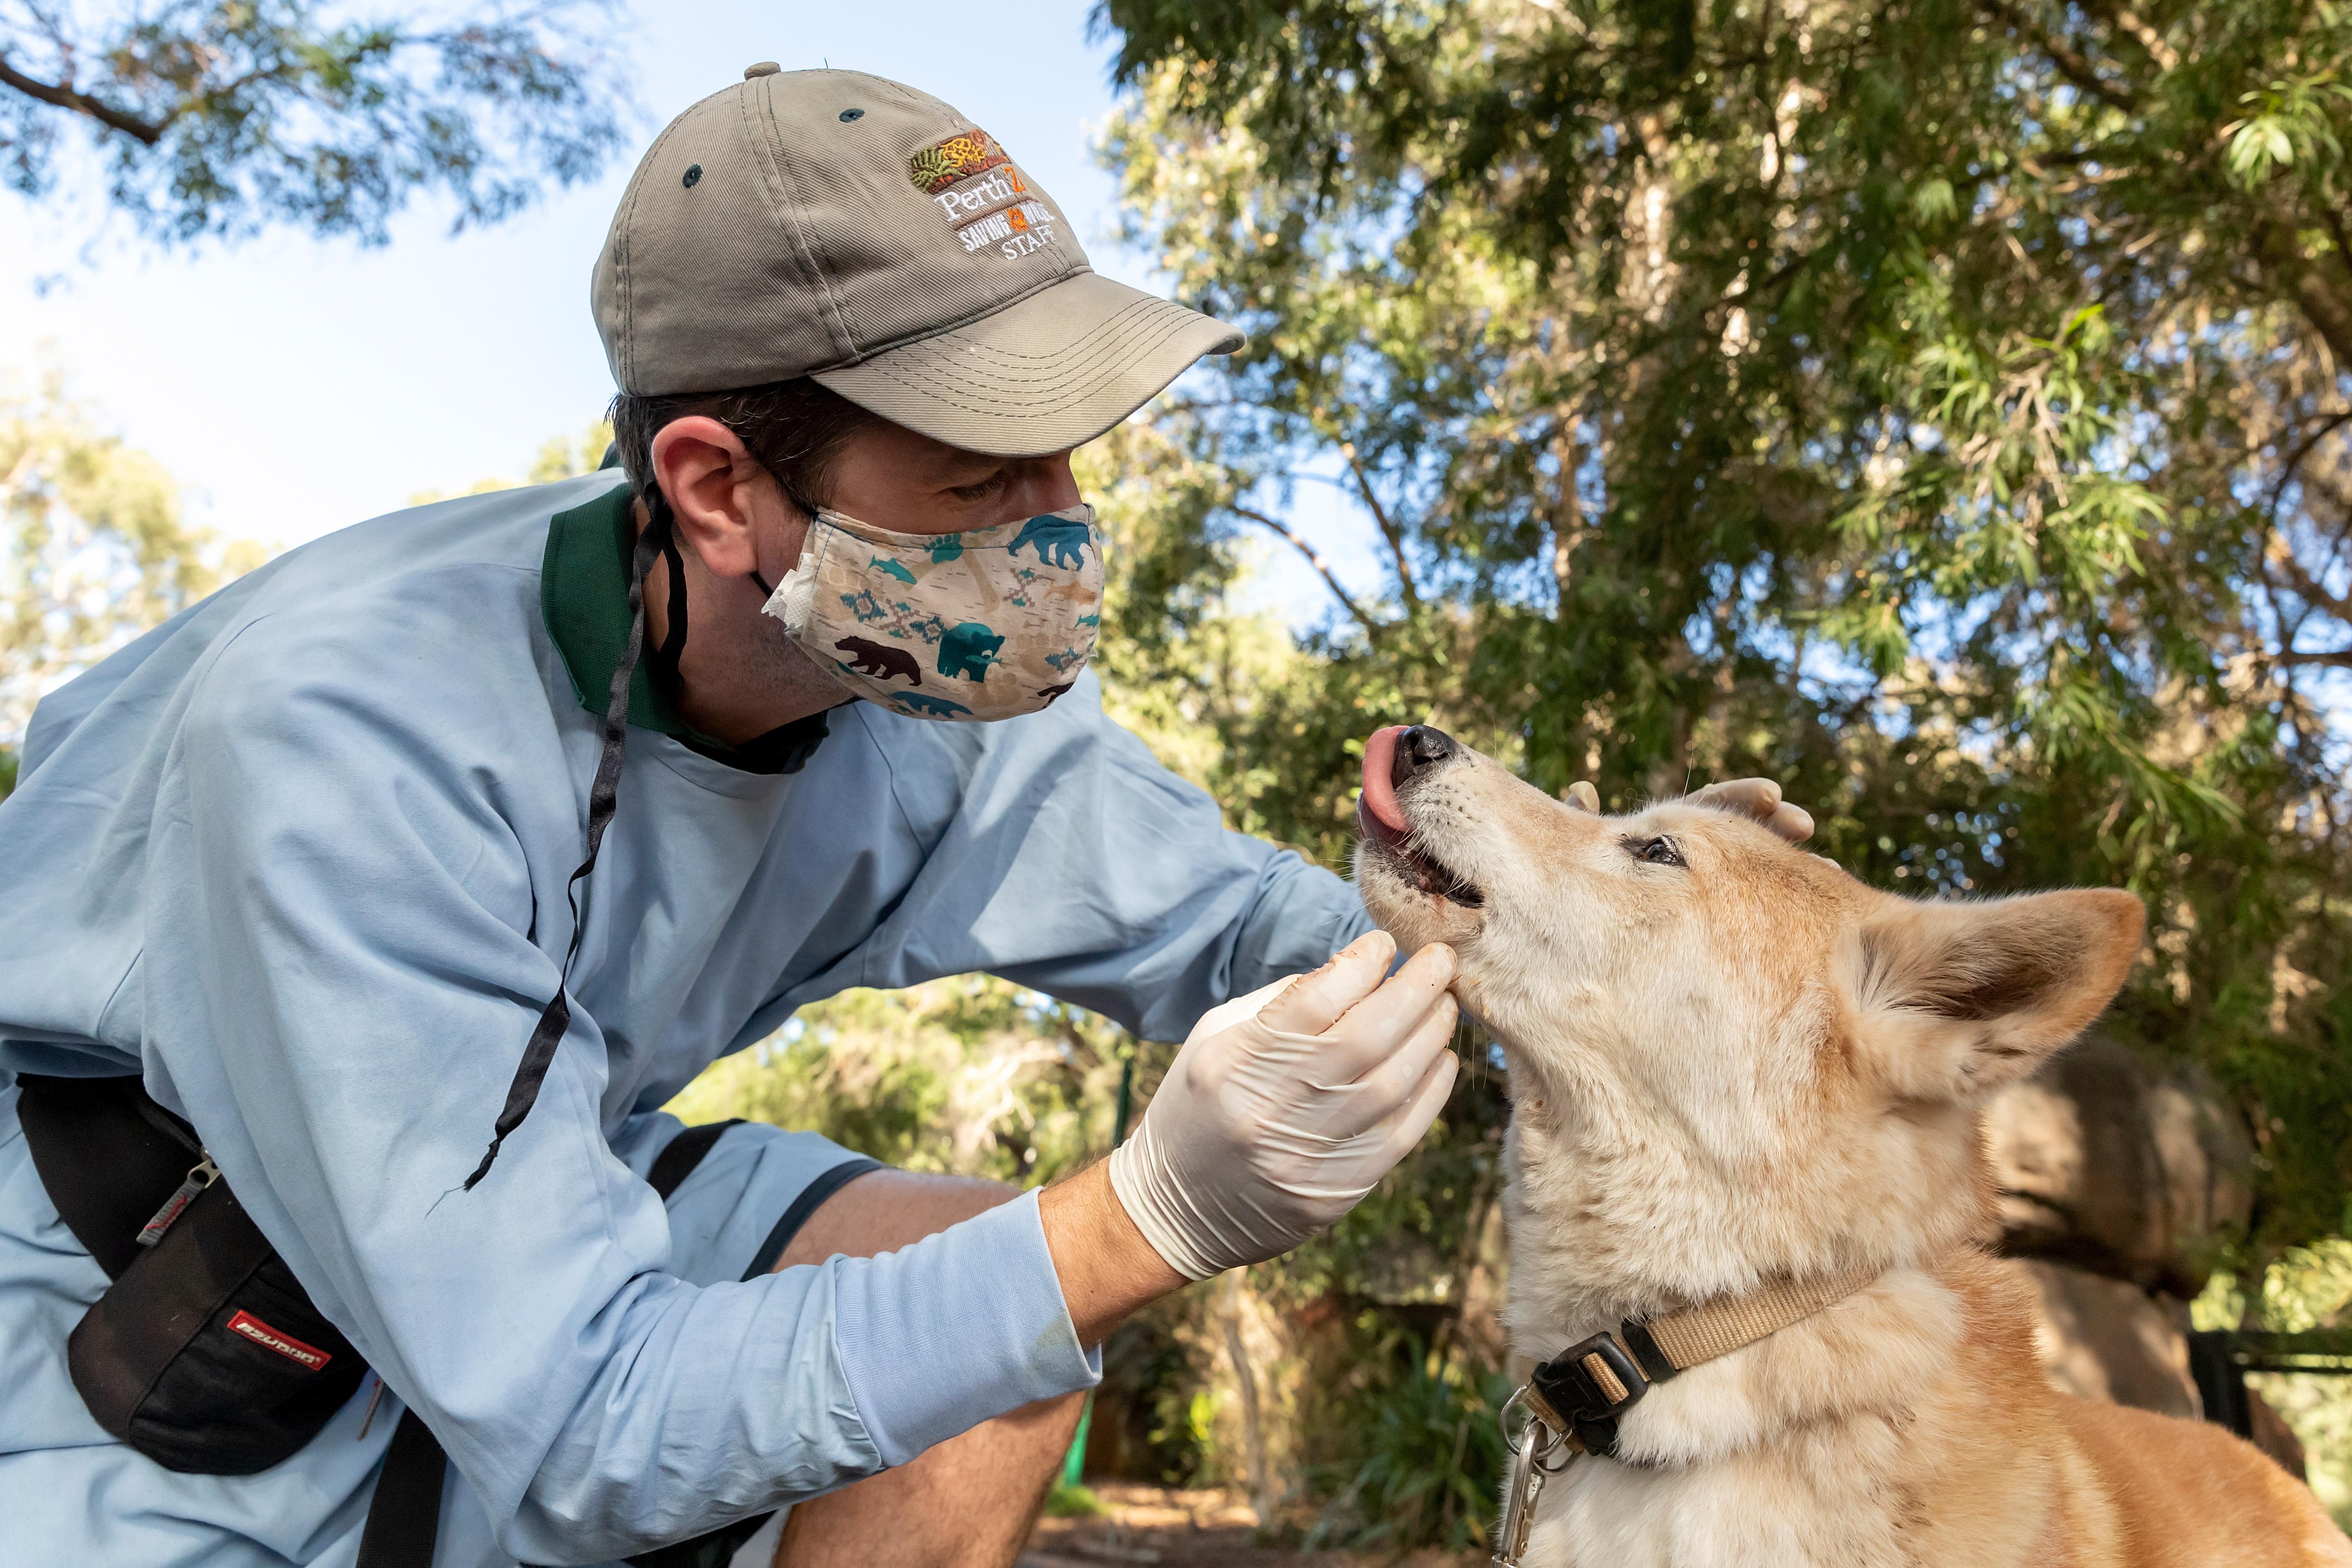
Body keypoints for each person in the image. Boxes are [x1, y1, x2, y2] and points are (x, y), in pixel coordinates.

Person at [0, 67, 1811, 1568]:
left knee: (982, 1332)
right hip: (139, 1307)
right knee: (1025, 1279)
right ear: (718, 486)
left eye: (1066, 453)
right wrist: (1147, 1210)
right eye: (976, 470)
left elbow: (1237, 926)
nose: (1061, 528)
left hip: (540, 1207)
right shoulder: (354, 744)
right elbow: (580, 1422)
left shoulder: (928, 692)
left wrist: (1609, 918)